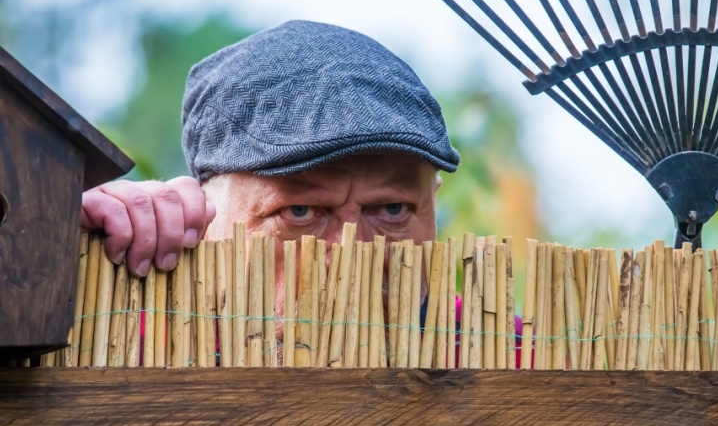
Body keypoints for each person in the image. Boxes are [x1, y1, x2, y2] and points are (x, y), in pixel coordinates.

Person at [81, 20, 461, 302]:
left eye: (392, 209)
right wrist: (56, 248)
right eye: (298, 212)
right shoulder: (126, 343)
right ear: (205, 216)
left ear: (433, 201)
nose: (352, 260)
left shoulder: (505, 356)